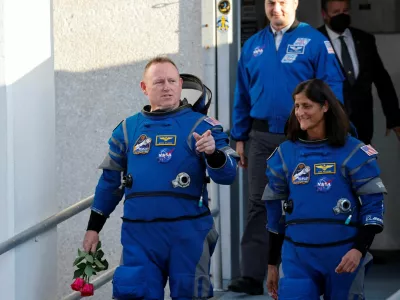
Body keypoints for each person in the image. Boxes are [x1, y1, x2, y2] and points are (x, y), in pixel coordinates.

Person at [81, 56, 239, 300]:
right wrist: (94, 228)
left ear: (180, 84)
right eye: (159, 82)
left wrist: (213, 153)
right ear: (144, 88)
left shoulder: (202, 126)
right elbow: (109, 183)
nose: (167, 86)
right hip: (139, 236)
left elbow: (229, 174)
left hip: (189, 234)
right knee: (135, 295)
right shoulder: (127, 129)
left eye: (172, 81)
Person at [228, 0, 345, 294]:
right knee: (259, 203)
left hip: (302, 137)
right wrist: (239, 137)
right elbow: (241, 94)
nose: (275, 7)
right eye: (270, 2)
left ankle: (305, 272)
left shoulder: (315, 41)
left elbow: (332, 88)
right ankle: (253, 276)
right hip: (261, 137)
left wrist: (330, 133)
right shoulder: (252, 45)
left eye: (282, 1)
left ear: (294, 3)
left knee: (305, 200)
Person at [264, 79, 386, 299]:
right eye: (297, 106)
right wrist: (272, 263)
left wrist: (358, 250)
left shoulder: (354, 152)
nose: (300, 112)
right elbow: (274, 216)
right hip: (297, 257)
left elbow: (373, 209)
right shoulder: (284, 154)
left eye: (307, 106)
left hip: (343, 256)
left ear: (325, 106)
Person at [318, 0, 400, 144]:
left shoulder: (365, 39)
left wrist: (394, 118)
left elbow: (382, 80)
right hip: (328, 125)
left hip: (363, 126)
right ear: (324, 15)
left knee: (364, 163)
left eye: (345, 11)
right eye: (336, 12)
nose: (341, 15)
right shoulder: (313, 40)